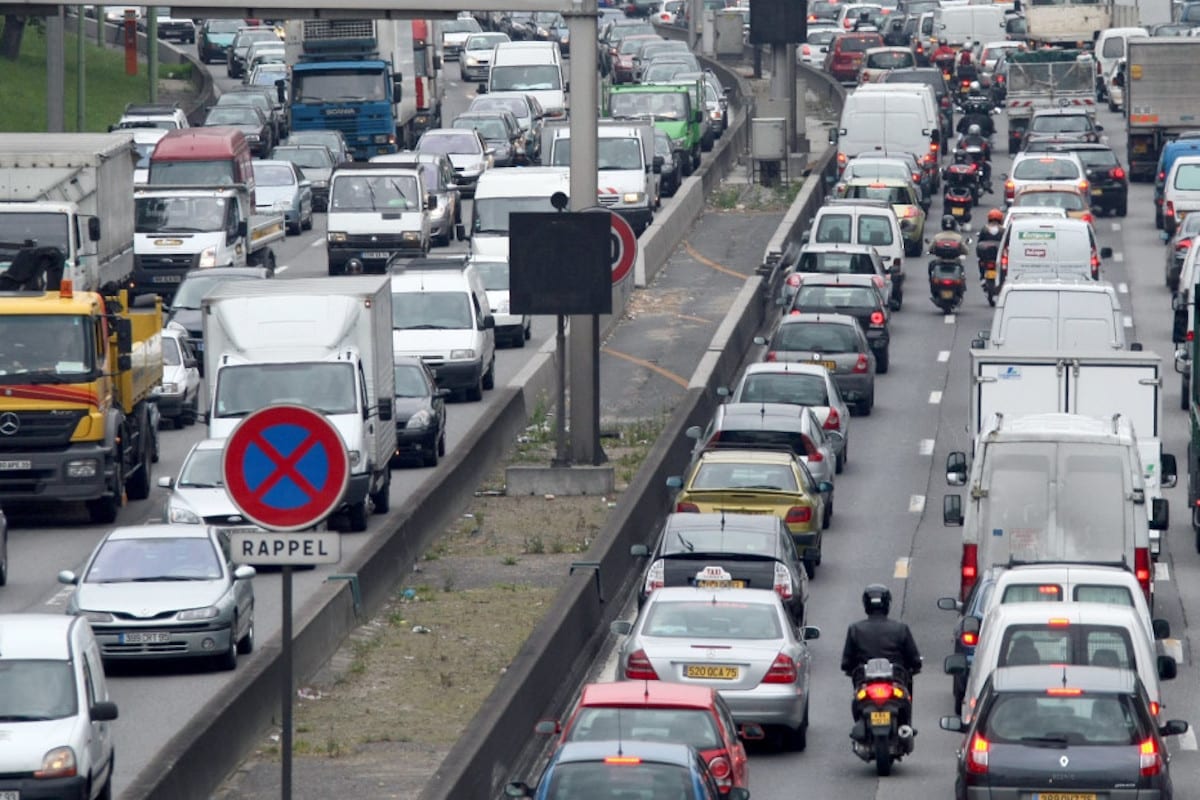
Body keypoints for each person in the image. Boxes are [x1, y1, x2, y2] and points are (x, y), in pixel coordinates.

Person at [841, 584, 922, 728]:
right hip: (896, 681)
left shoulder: (855, 629)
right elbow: (914, 659)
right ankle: (906, 726)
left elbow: (846, 663)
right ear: (887, 604)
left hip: (865, 683)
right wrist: (915, 666)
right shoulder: (900, 629)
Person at [976, 208, 1004, 281]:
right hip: (997, 256)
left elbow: (979, 241)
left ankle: (982, 276)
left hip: (987, 257)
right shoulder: (1003, 230)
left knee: (980, 261)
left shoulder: (985, 228)